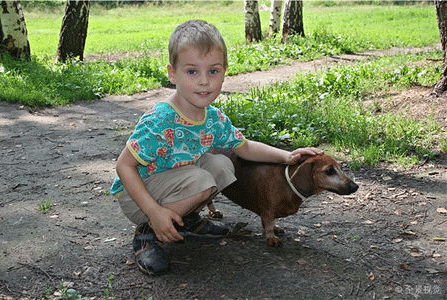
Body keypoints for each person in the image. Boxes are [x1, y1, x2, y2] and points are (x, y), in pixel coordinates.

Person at [111, 19, 323, 276]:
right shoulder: (161, 119)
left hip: (174, 185)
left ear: (224, 71)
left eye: (213, 71)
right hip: (139, 196)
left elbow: (244, 148)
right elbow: (124, 166)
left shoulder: (212, 118)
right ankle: (148, 231)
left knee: (223, 164)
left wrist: (287, 156)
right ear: (172, 73)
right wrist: (153, 212)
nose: (204, 82)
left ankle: (185, 219)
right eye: (192, 72)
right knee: (201, 179)